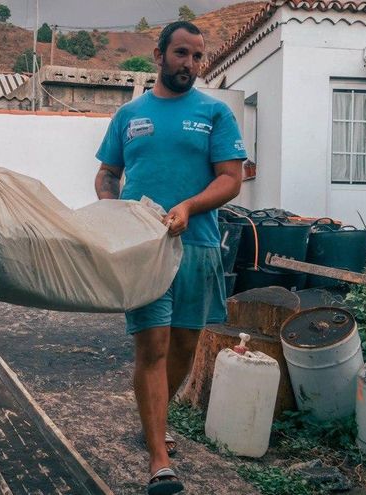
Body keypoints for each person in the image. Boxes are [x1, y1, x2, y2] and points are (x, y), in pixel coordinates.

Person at [94, 21, 247, 495]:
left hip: (198, 243)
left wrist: (187, 207)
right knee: (152, 347)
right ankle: (159, 458)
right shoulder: (129, 115)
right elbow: (107, 174)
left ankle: (154, 421)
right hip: (144, 249)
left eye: (198, 57)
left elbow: (230, 179)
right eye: (181, 53)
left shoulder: (215, 114)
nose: (190, 64)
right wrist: (113, 209)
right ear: (158, 56)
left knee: (182, 348)